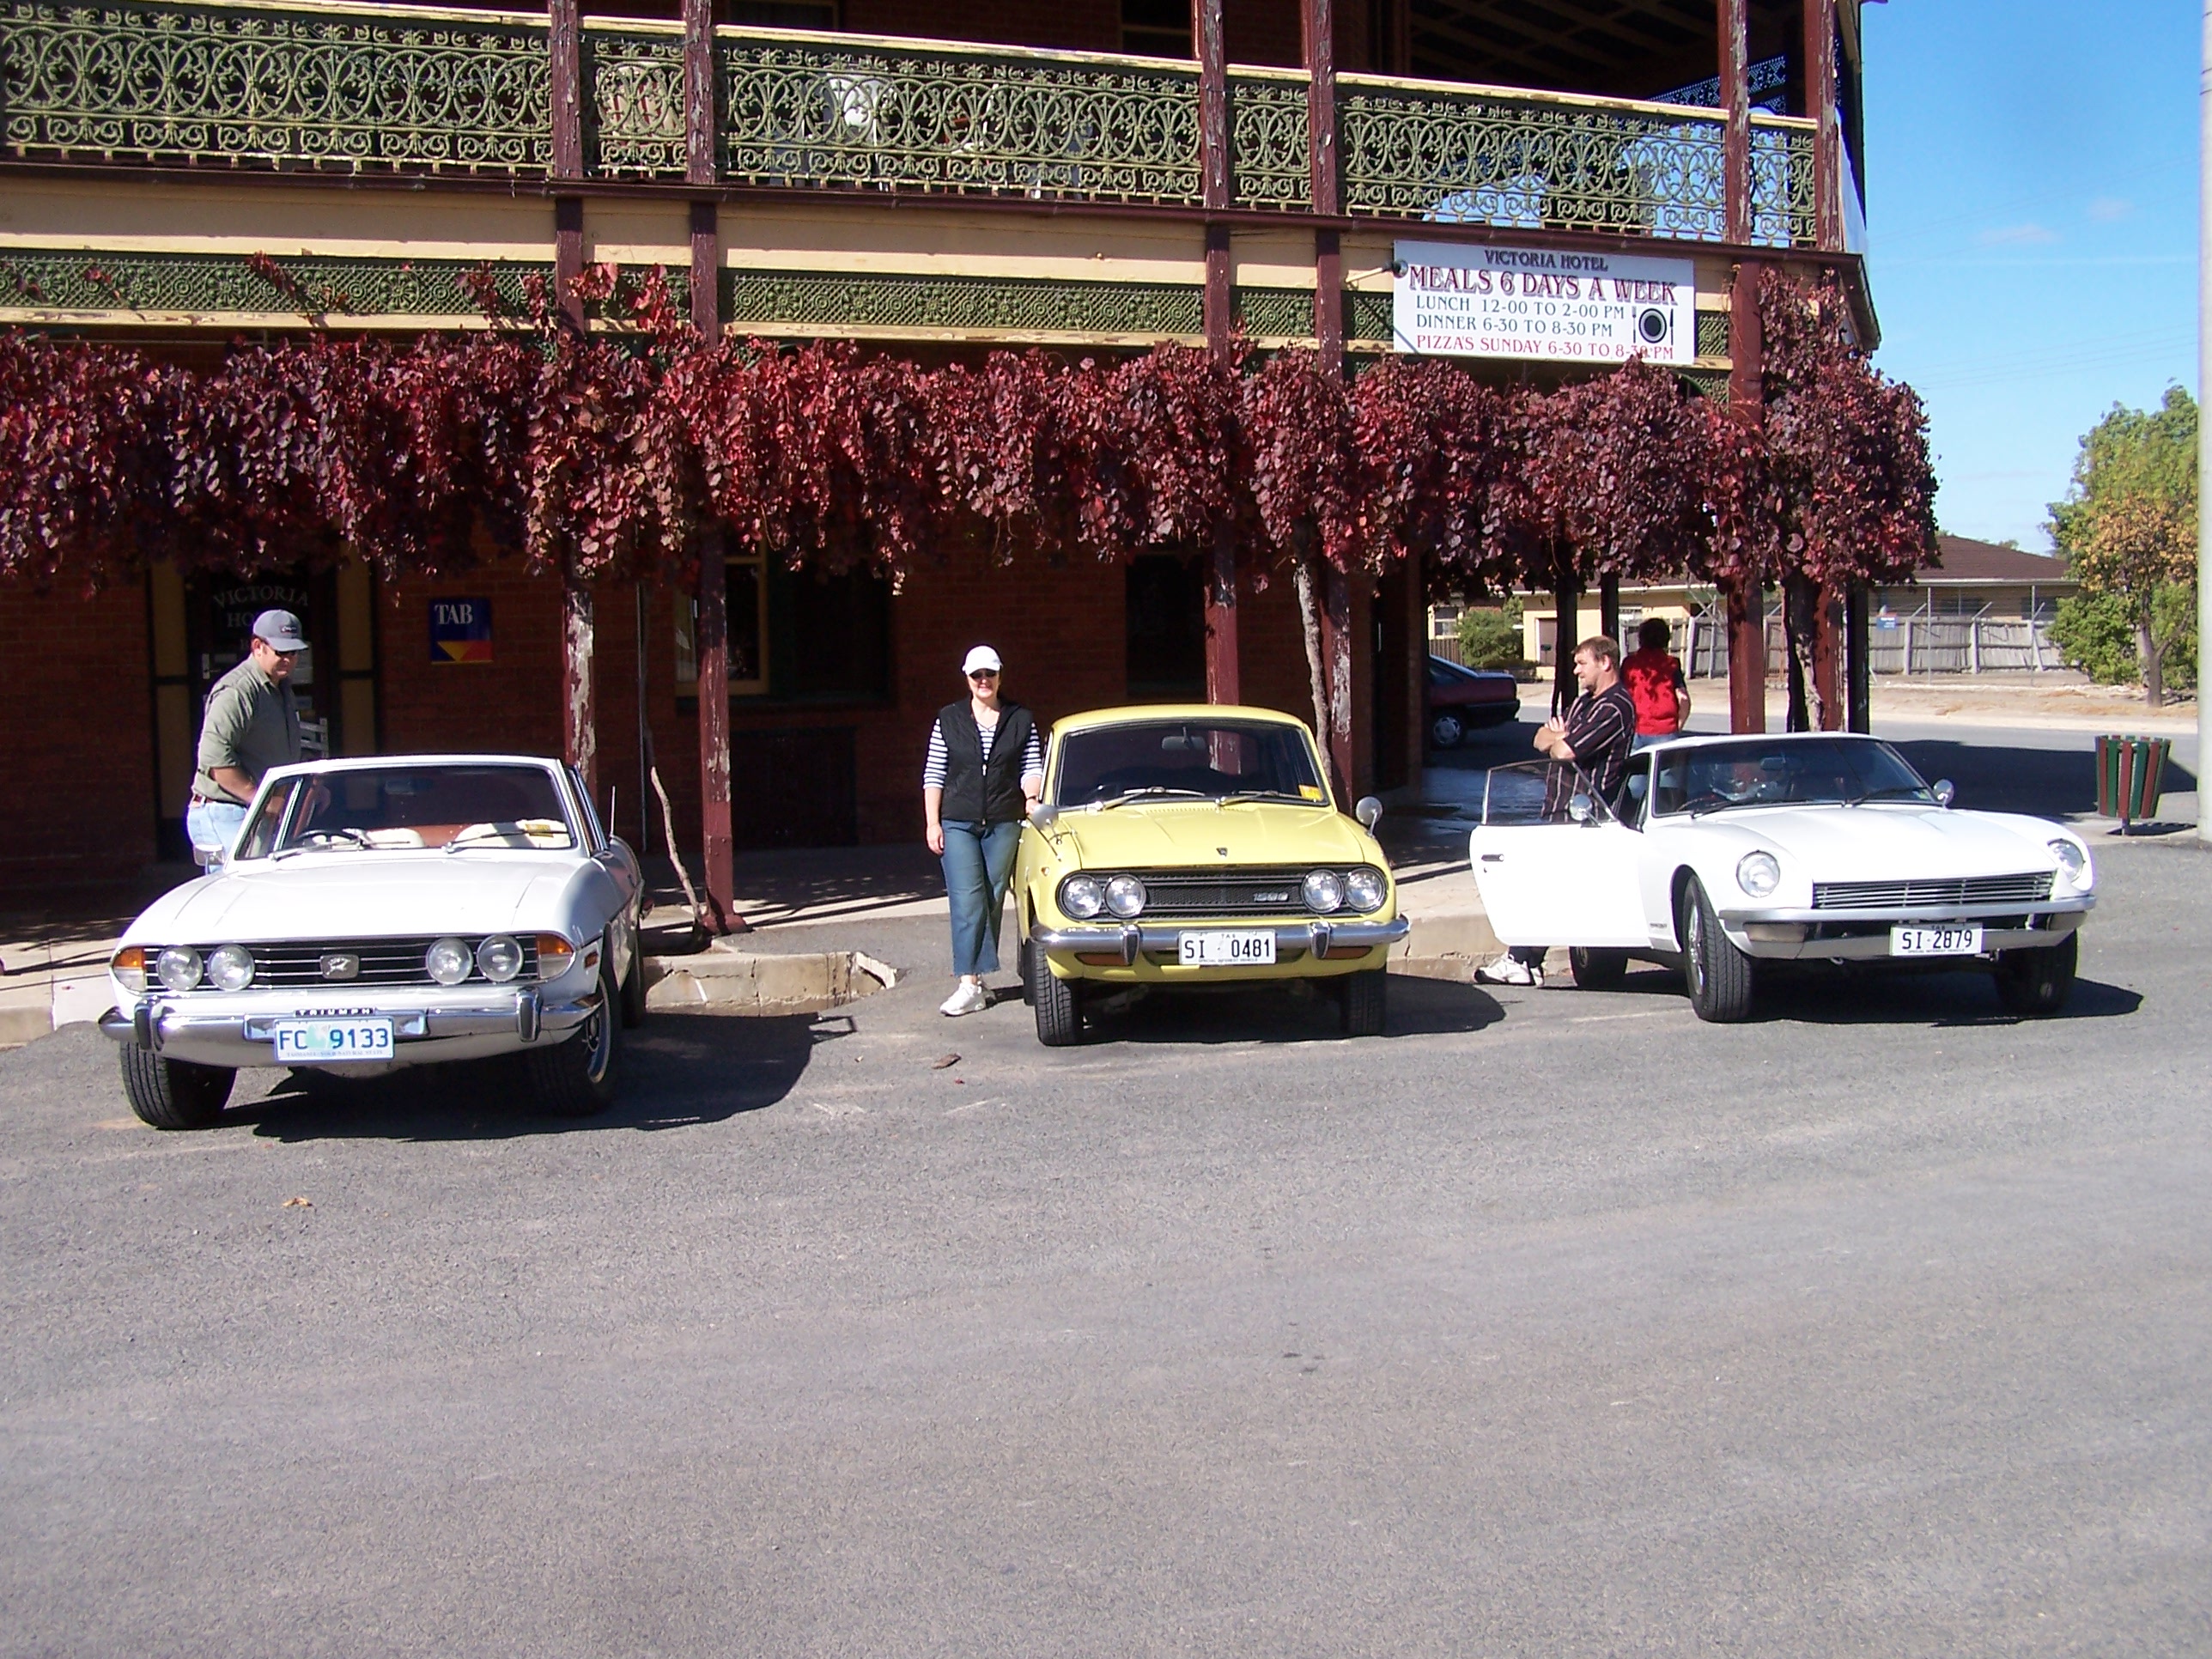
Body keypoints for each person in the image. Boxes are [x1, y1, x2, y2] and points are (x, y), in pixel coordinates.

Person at [1478, 635, 1636, 989]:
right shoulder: (1583, 704)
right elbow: (1541, 738)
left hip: (1586, 812)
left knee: (1551, 885)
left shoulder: (1615, 707)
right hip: (1558, 806)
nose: (1576, 671)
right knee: (1547, 883)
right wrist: (1557, 739)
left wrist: (1562, 740)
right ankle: (1526, 960)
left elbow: (1565, 751)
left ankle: (1521, 959)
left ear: (1606, 663)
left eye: (1582, 663)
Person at [922, 646, 1044, 1017]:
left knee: (991, 897)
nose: (983, 681)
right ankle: (968, 983)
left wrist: (1032, 797)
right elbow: (934, 773)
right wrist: (932, 821)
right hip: (958, 820)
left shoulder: (1021, 718)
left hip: (1004, 820)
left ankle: (977, 977)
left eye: (989, 674)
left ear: (1000, 676)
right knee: (967, 898)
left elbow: (1031, 764)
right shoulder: (949, 718)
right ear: (967, 679)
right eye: (976, 675)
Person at [186, 608, 307, 862]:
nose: (288, 659)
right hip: (224, 810)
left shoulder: (281, 688)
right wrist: (262, 800)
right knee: (239, 889)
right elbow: (215, 760)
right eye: (280, 651)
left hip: (256, 812)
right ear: (257, 646)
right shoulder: (238, 691)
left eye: (293, 652)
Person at [1620, 617, 1691, 750]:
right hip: (1665, 729)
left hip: (1635, 728)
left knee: (1635, 769)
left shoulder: (1629, 664)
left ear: (1641, 639)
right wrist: (1679, 725)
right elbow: (1684, 699)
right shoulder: (1671, 664)